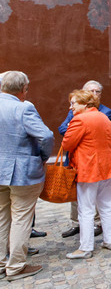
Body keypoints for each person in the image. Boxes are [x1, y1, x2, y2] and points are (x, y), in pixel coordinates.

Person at [0, 71, 53, 281]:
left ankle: (1, 263)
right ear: (23, 89)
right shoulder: (23, 107)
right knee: (22, 217)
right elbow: (46, 136)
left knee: (2, 217)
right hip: (22, 172)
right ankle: (16, 266)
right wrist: (42, 156)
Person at [62, 89, 111, 259]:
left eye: (74, 103)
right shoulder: (103, 117)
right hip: (106, 167)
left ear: (85, 104)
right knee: (105, 206)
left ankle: (86, 248)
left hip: (88, 168)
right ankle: (109, 240)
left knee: (85, 209)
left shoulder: (80, 119)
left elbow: (67, 144)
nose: (71, 107)